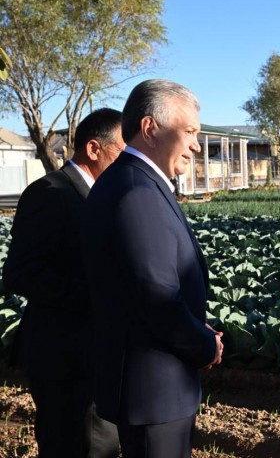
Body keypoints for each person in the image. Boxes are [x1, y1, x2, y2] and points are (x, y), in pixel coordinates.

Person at [81, 79, 223, 458]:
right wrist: (205, 344)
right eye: (190, 132)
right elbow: (155, 299)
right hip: (153, 391)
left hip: (151, 388)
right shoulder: (138, 192)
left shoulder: (130, 181)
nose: (196, 145)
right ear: (150, 129)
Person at [3, 108, 124, 458]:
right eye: (121, 151)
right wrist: (99, 296)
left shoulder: (100, 197)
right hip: (65, 358)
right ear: (93, 149)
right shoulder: (50, 193)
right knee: (80, 447)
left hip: (94, 355)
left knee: (102, 444)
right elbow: (21, 273)